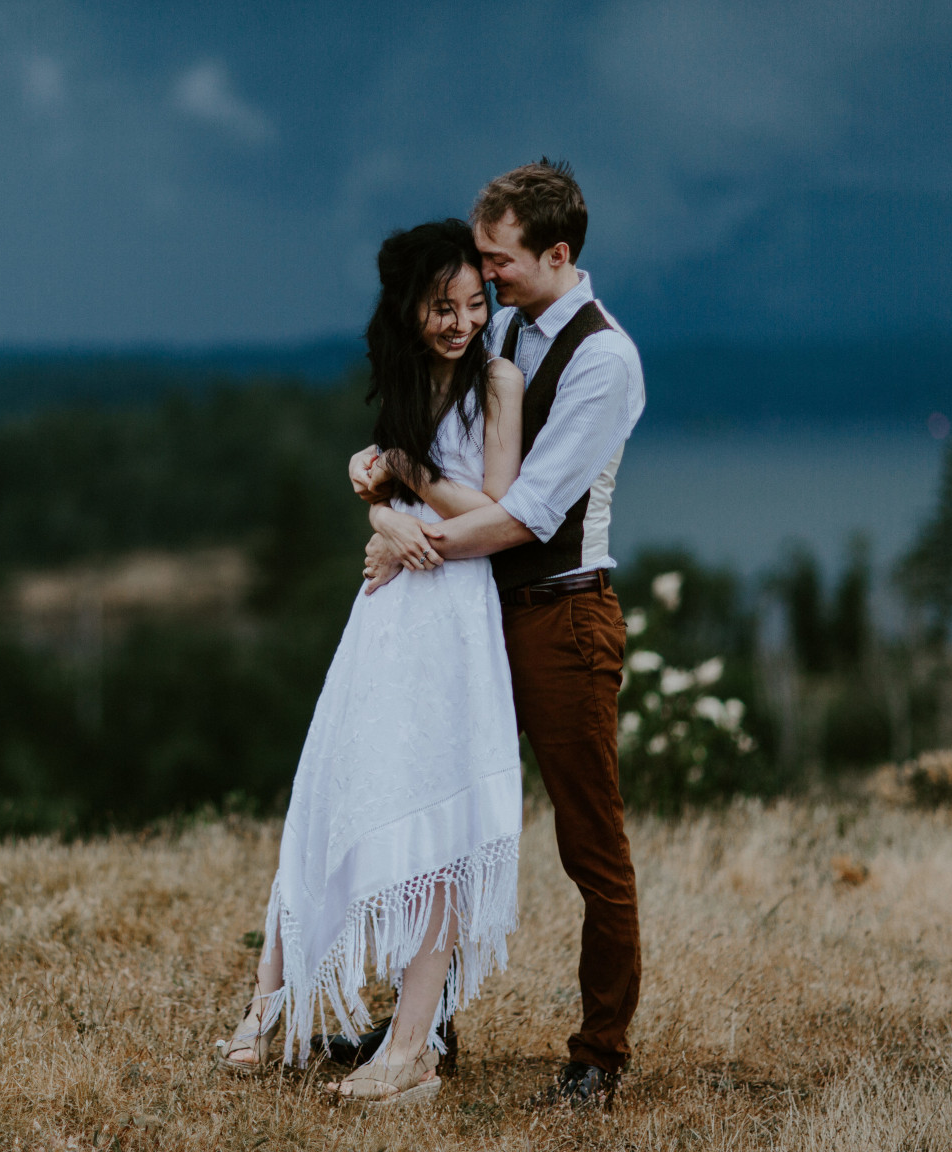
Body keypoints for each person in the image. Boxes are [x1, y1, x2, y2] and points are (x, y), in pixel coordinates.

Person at [353, 159, 647, 1111]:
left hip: (563, 616)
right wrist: (383, 488)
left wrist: (408, 539)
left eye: (498, 259)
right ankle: (421, 1027)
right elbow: (429, 445)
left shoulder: (605, 360)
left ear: (556, 254)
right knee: (441, 818)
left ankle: (598, 1056)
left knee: (589, 843)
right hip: (479, 617)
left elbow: (524, 515)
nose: (482, 280)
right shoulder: (506, 328)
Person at [216, 219, 526, 1106]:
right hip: (388, 612)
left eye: (474, 303)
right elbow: (400, 503)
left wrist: (400, 478)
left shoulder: (496, 379)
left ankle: (415, 1039)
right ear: (409, 307)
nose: (461, 322)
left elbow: (492, 508)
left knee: (435, 819)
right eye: (442, 307)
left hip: (457, 614)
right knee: (333, 786)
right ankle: (272, 1000)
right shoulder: (402, 378)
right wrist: (383, 519)